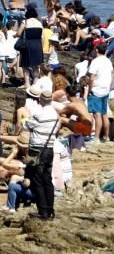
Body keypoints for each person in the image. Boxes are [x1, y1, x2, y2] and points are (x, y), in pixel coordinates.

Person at [22, 87, 59, 220]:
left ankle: (42, 211)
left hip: (37, 149)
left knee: (37, 180)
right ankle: (50, 210)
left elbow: (26, 126)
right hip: (50, 149)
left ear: (41, 100)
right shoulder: (55, 115)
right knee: (47, 180)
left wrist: (24, 118)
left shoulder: (39, 114)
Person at [87, 42, 114, 143]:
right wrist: (109, 86)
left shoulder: (95, 61)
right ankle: (106, 137)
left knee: (97, 115)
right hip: (105, 89)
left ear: (97, 50)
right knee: (104, 114)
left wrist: (89, 89)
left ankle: (96, 138)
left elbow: (92, 77)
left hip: (96, 89)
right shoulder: (108, 61)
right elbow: (112, 74)